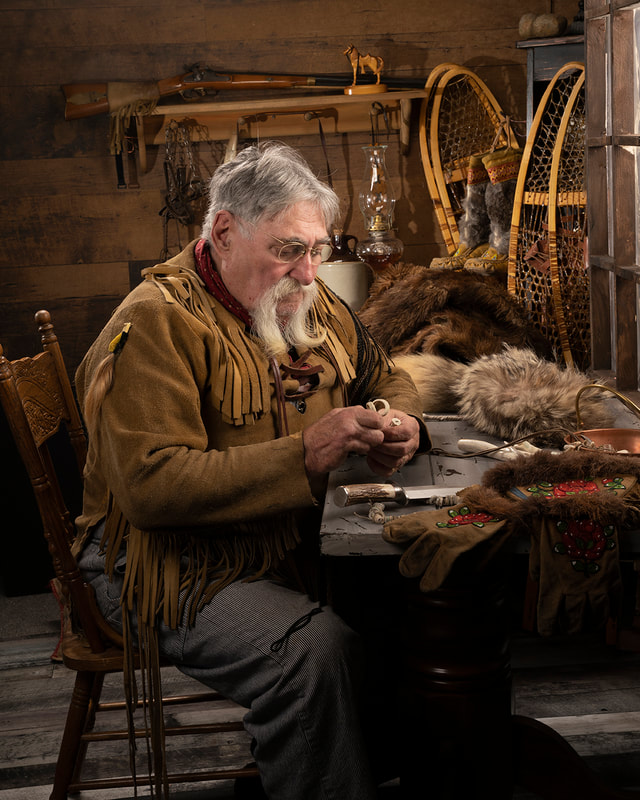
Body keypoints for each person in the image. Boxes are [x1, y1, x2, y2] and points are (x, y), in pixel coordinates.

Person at [74, 142, 429, 799]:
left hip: (271, 539)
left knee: (402, 600)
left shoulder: (309, 303)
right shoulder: (155, 323)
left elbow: (386, 377)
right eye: (288, 249)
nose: (307, 272)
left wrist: (397, 421)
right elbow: (152, 488)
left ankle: (347, 769)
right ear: (226, 233)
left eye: (318, 249)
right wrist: (306, 454)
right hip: (153, 562)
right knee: (311, 655)